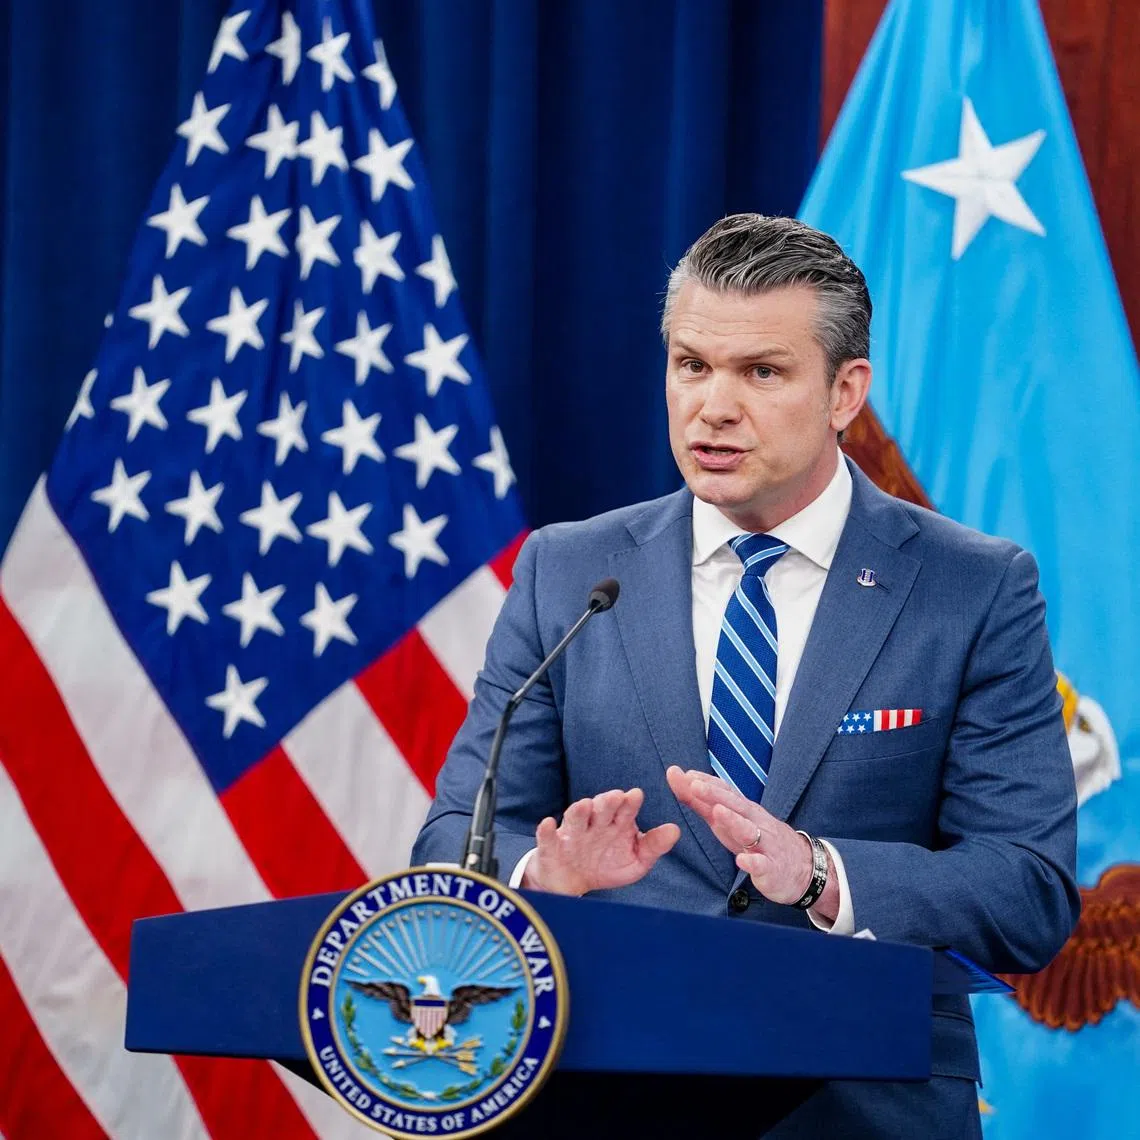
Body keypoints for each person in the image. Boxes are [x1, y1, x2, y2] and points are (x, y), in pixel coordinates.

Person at [412, 214, 1080, 1136]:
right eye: (692, 365)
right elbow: (453, 837)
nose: (713, 407)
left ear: (846, 391)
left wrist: (821, 873)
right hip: (603, 1094)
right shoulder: (569, 571)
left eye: (761, 372)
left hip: (860, 1105)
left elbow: (1028, 889)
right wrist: (540, 872)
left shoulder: (971, 587)